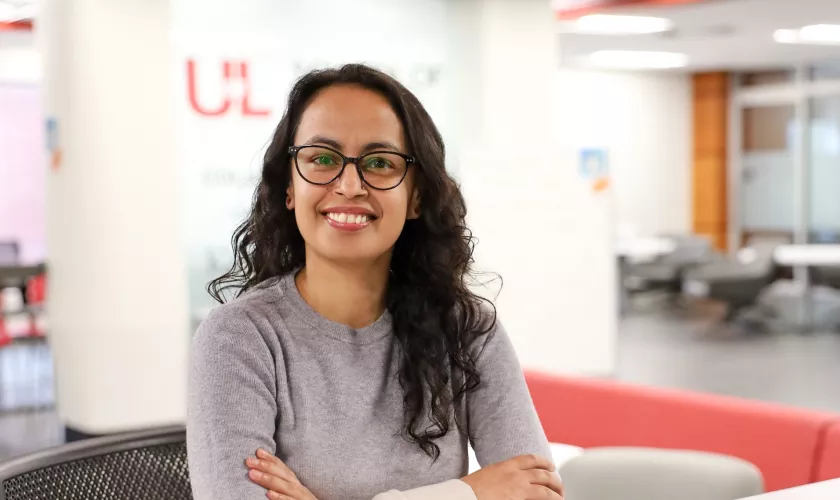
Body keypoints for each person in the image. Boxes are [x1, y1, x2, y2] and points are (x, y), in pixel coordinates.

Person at [187, 64, 562, 500]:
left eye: (379, 163)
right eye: (322, 159)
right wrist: (467, 493)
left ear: (416, 195)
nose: (349, 185)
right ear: (289, 186)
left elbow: (534, 492)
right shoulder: (239, 338)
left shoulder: (467, 330)